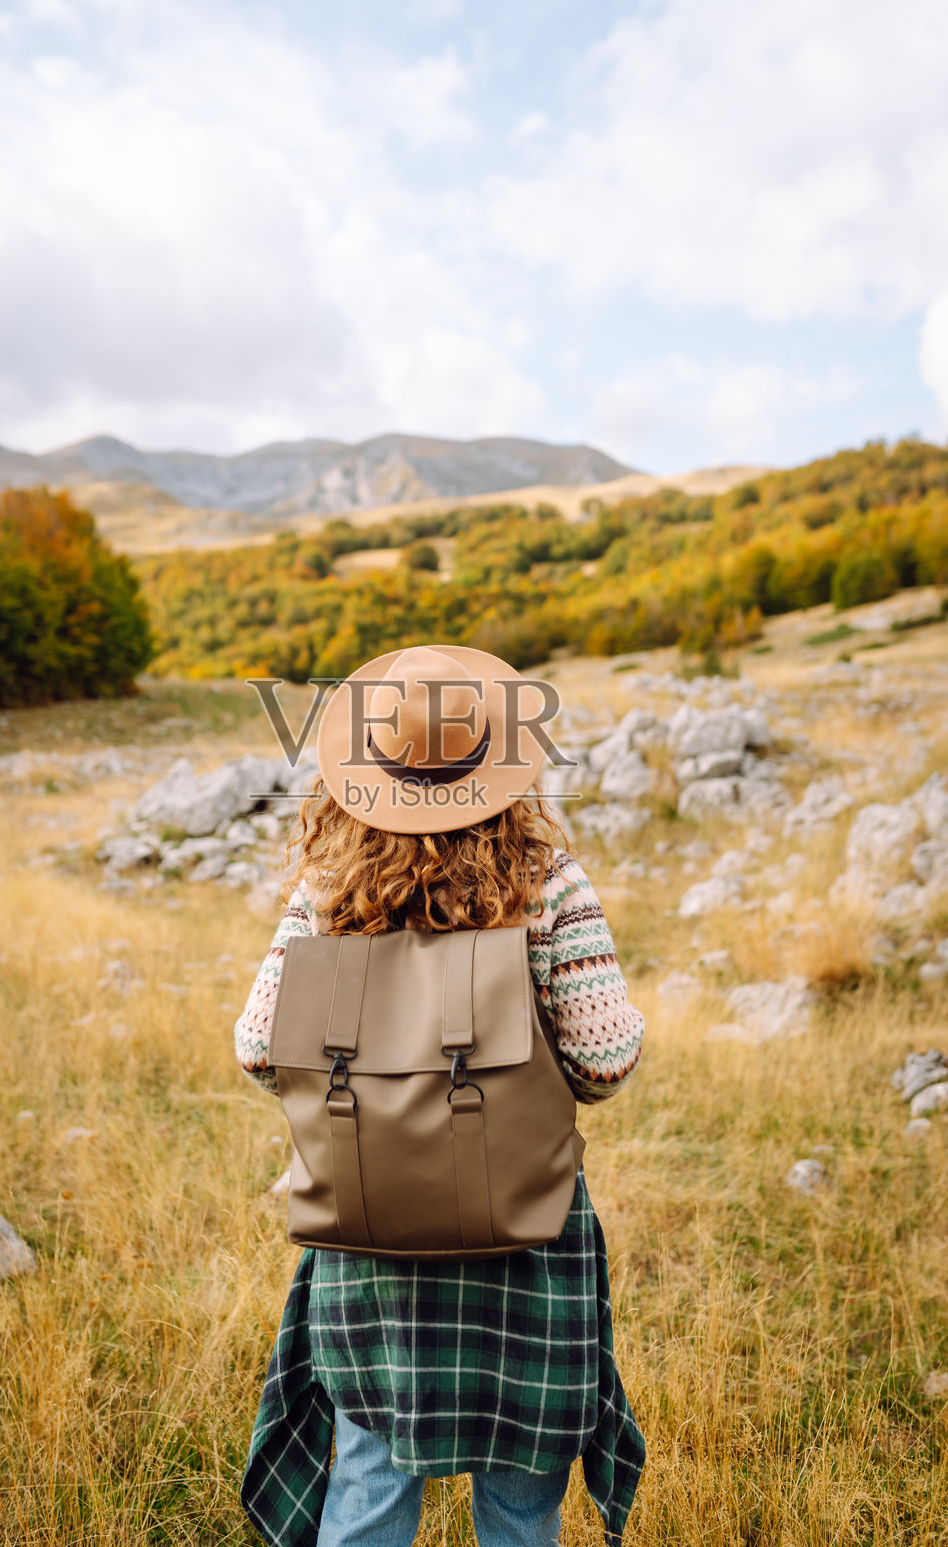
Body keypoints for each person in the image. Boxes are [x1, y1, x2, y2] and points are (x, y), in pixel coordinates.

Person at [235, 644, 646, 1547]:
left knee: (372, 1479)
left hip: (369, 1231)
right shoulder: (549, 887)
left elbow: (259, 1051)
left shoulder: (325, 892)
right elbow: (604, 1063)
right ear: (498, 766)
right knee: (520, 1493)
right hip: (524, 1235)